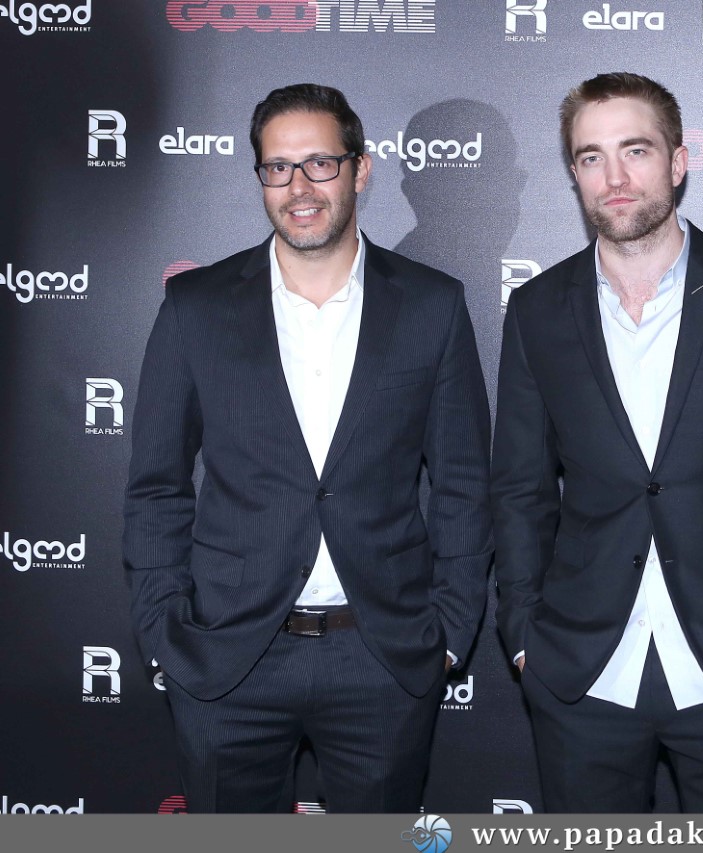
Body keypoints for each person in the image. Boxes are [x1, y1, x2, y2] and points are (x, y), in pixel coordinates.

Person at [122, 83, 492, 813]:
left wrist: (448, 634)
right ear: (260, 177)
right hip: (228, 658)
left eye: (321, 163)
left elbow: (463, 484)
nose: (299, 187)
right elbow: (157, 485)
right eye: (278, 167)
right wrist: (165, 635)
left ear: (362, 170)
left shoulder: (432, 305)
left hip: (382, 656)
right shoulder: (195, 307)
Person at [491, 72, 703, 813]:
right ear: (574, 174)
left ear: (678, 162)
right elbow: (519, 489)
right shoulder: (537, 309)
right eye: (591, 157)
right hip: (581, 671)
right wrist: (523, 635)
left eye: (635, 150)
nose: (614, 177)